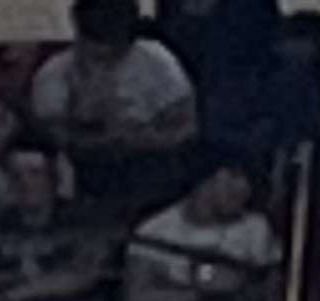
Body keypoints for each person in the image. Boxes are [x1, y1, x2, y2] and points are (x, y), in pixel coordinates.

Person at [29, 0, 201, 205]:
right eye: (97, 55)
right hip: (84, 173)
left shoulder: (158, 63)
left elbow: (188, 126)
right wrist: (86, 122)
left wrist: (145, 138)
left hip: (151, 166)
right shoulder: (55, 74)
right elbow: (50, 137)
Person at [123, 151, 281, 301]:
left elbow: (272, 291)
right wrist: (200, 293)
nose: (243, 187)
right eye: (232, 176)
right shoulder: (154, 232)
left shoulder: (255, 227)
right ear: (203, 180)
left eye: (247, 179)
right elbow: (136, 298)